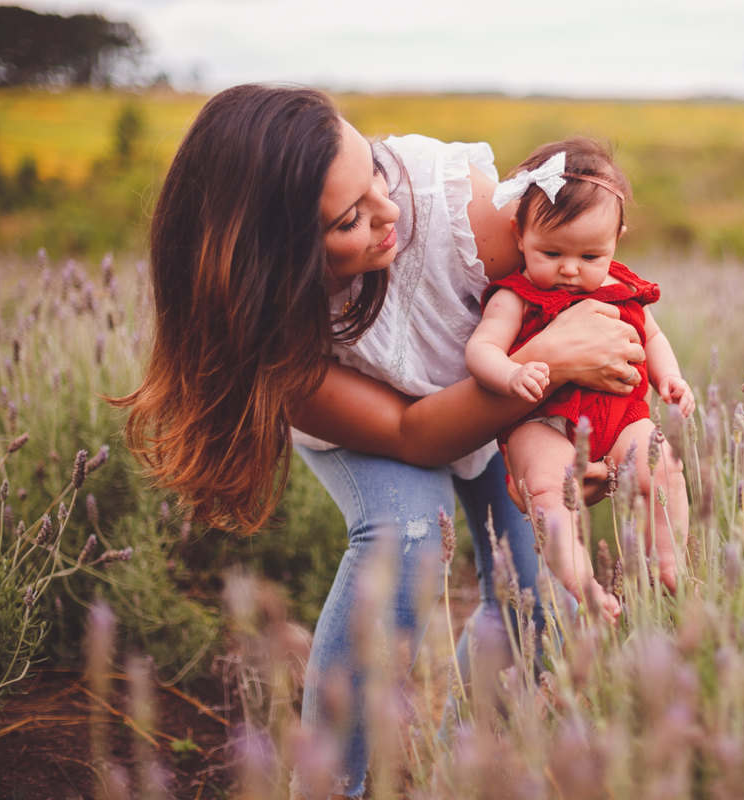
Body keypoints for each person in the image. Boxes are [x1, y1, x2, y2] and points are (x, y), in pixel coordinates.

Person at [113, 85, 645, 799]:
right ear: (276, 260)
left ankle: (461, 768)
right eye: (349, 219)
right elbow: (409, 431)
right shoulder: (272, 333)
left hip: (507, 392)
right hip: (391, 425)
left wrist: (583, 441)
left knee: (542, 593)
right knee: (407, 536)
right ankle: (330, 785)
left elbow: (587, 296)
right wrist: (550, 361)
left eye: (374, 174)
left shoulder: (463, 210)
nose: (388, 212)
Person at [466, 138, 694, 620]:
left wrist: (669, 378)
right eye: (550, 252)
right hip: (541, 420)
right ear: (518, 234)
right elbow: (481, 348)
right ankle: (581, 584)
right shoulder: (516, 296)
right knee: (548, 490)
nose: (570, 269)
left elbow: (652, 336)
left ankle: (668, 562)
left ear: (616, 241)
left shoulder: (621, 287)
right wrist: (510, 374)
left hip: (621, 415)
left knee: (664, 467)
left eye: (591, 257)